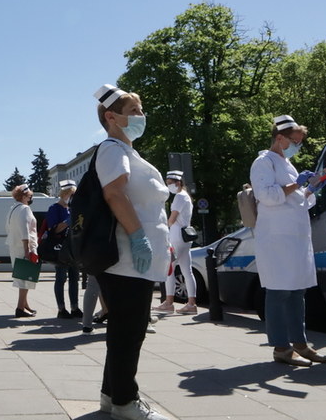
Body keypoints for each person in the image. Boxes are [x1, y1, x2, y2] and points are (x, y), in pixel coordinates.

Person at [92, 84, 171, 420]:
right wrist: (139, 238)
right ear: (112, 117)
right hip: (127, 260)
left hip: (136, 262)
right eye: (135, 110)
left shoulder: (126, 151)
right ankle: (126, 402)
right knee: (130, 330)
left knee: (126, 328)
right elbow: (115, 195)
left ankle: (112, 396)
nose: (141, 116)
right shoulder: (113, 150)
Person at [249, 114, 326, 367]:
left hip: (295, 237)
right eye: (294, 141)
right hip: (276, 239)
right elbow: (268, 196)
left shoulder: (287, 164)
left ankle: (300, 343)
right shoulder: (263, 162)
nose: (297, 146)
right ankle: (281, 348)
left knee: (297, 291)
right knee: (278, 292)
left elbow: (298, 200)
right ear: (280, 137)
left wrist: (310, 189)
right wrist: (296, 185)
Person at [154, 170, 197, 314]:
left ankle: (169, 303)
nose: (168, 186)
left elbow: (172, 219)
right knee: (187, 271)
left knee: (169, 269)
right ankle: (191, 304)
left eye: (170, 183)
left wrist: (163, 225)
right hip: (185, 236)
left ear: (178, 183)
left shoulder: (179, 197)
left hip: (176, 235)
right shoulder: (187, 197)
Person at [47, 179, 81, 320]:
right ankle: (61, 309)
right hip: (60, 249)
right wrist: (68, 221)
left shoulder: (71, 209)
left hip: (73, 248)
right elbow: (54, 229)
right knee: (61, 278)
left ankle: (74, 307)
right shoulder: (54, 208)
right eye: (71, 194)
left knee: (74, 278)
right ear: (66, 193)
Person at [6, 184, 38, 318]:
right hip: (25, 246)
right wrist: (28, 249)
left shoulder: (13, 209)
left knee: (21, 276)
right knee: (26, 277)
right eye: (30, 195)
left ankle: (25, 305)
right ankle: (20, 308)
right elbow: (25, 229)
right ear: (24, 196)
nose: (31, 197)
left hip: (14, 246)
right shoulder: (25, 209)